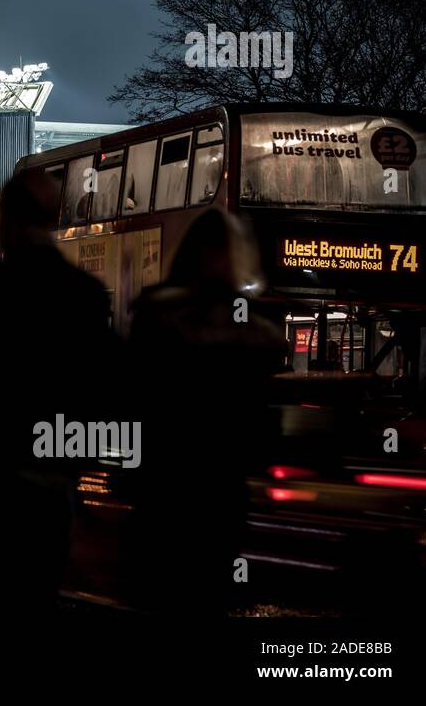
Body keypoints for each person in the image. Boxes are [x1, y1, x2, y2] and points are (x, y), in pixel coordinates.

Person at [0, 169, 120, 615]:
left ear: (4, 220)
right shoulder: (85, 296)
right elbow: (105, 393)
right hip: (50, 489)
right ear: (53, 219)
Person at [124, 207, 285, 614]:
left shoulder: (155, 316)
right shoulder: (254, 333)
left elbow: (133, 405)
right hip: (220, 495)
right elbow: (260, 424)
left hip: (162, 492)